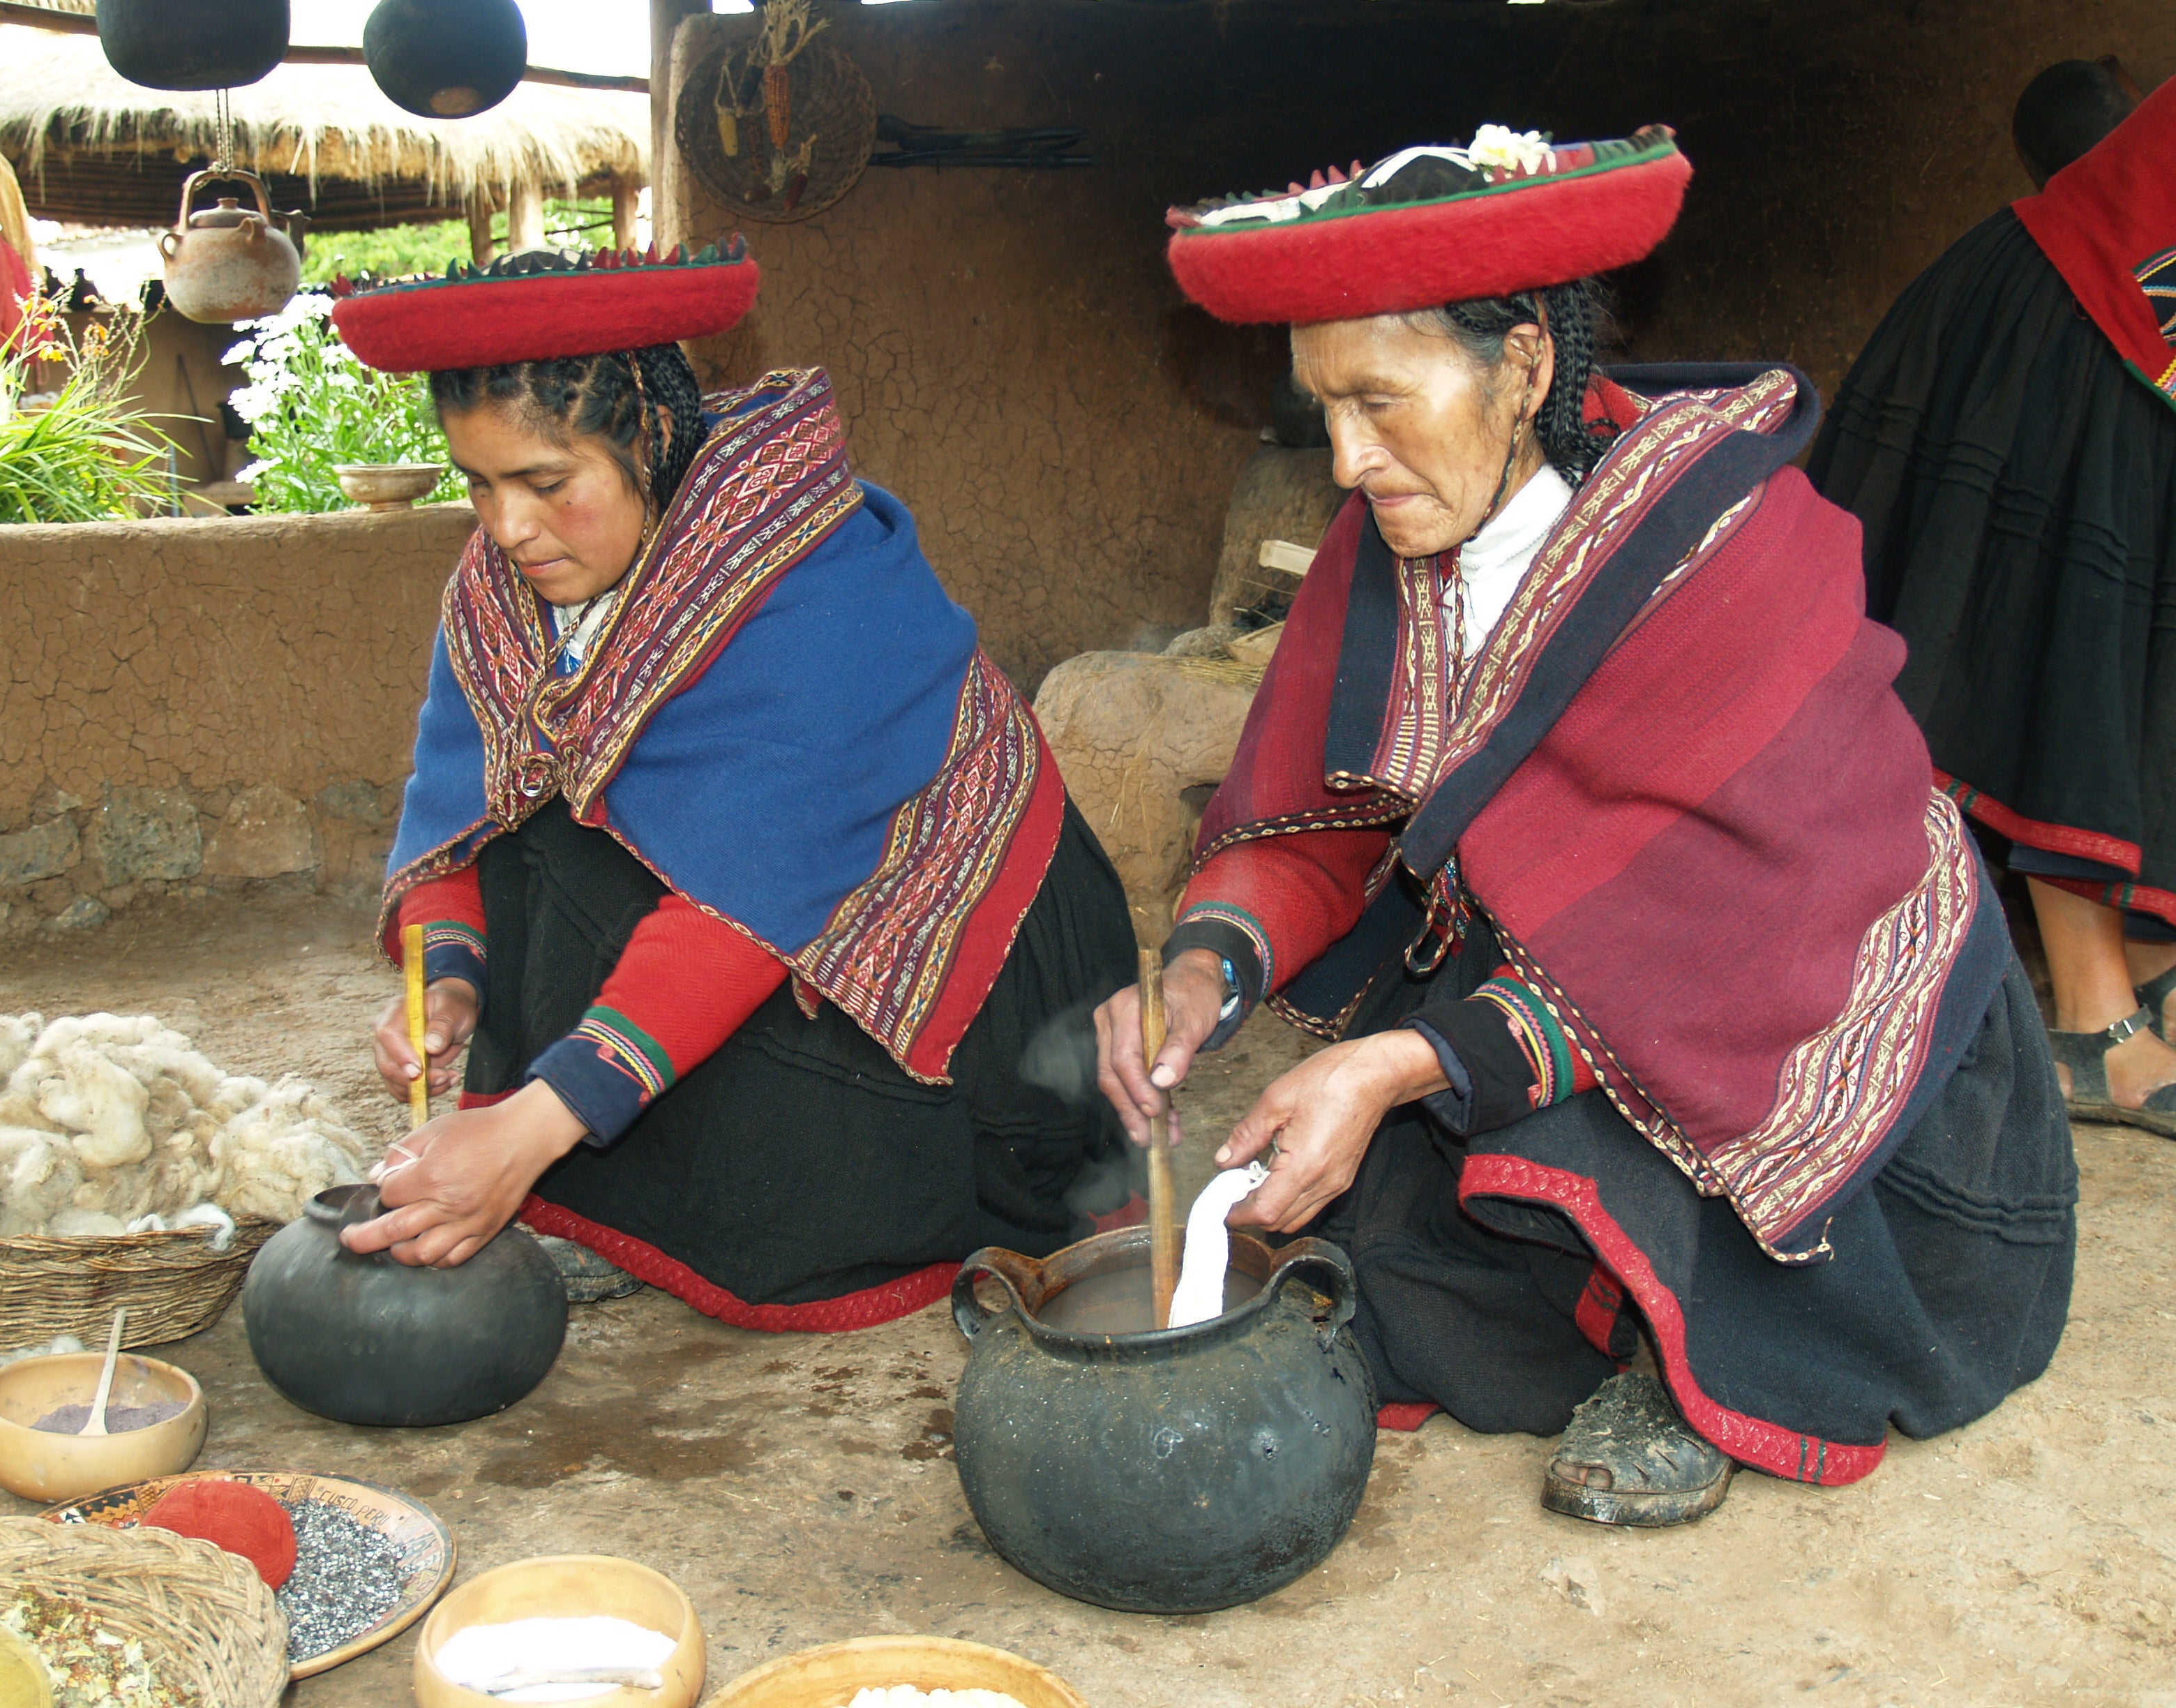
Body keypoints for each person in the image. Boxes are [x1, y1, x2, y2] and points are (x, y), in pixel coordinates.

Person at [1096, 128, 2074, 1526]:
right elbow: (1325, 819)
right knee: (1395, 1210)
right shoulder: (1394, 545)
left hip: (1806, 997)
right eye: (1322, 410)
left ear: (1523, 370)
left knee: (1588, 1112)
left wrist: (1397, 1065)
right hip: (1574, 960)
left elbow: (1726, 935)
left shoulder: (1722, 536)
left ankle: (1699, 1361)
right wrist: (1205, 968)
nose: (1348, 458)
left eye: (1378, 400)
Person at [329, 241, 1136, 1327]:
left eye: (547, 483)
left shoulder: (819, 578)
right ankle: (596, 1142)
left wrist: (527, 1131)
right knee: (536, 827)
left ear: (651, 440)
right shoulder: (506, 584)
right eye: (479, 484)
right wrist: (452, 981)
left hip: (974, 989)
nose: (508, 526)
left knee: (785, 1170)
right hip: (750, 908)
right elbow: (461, 812)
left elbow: (747, 906)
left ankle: (654, 1161)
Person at [1809, 66, 2176, 1134]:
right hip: (2080, 318)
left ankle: (2152, 962)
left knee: (2143, 654)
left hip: (2141, 334)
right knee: (2073, 645)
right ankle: (2093, 1018)